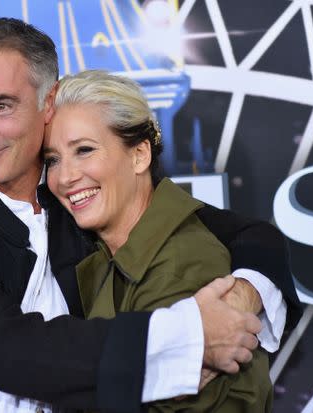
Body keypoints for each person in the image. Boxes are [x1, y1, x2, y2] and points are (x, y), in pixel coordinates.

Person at [0, 17, 301, 413]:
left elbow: (246, 234)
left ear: (49, 102)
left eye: (1, 105)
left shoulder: (82, 193)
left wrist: (245, 295)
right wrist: (192, 338)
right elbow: (4, 351)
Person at [42, 70, 272, 412]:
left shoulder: (181, 264)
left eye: (85, 150)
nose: (65, 177)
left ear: (139, 155)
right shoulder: (108, 254)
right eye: (52, 160)